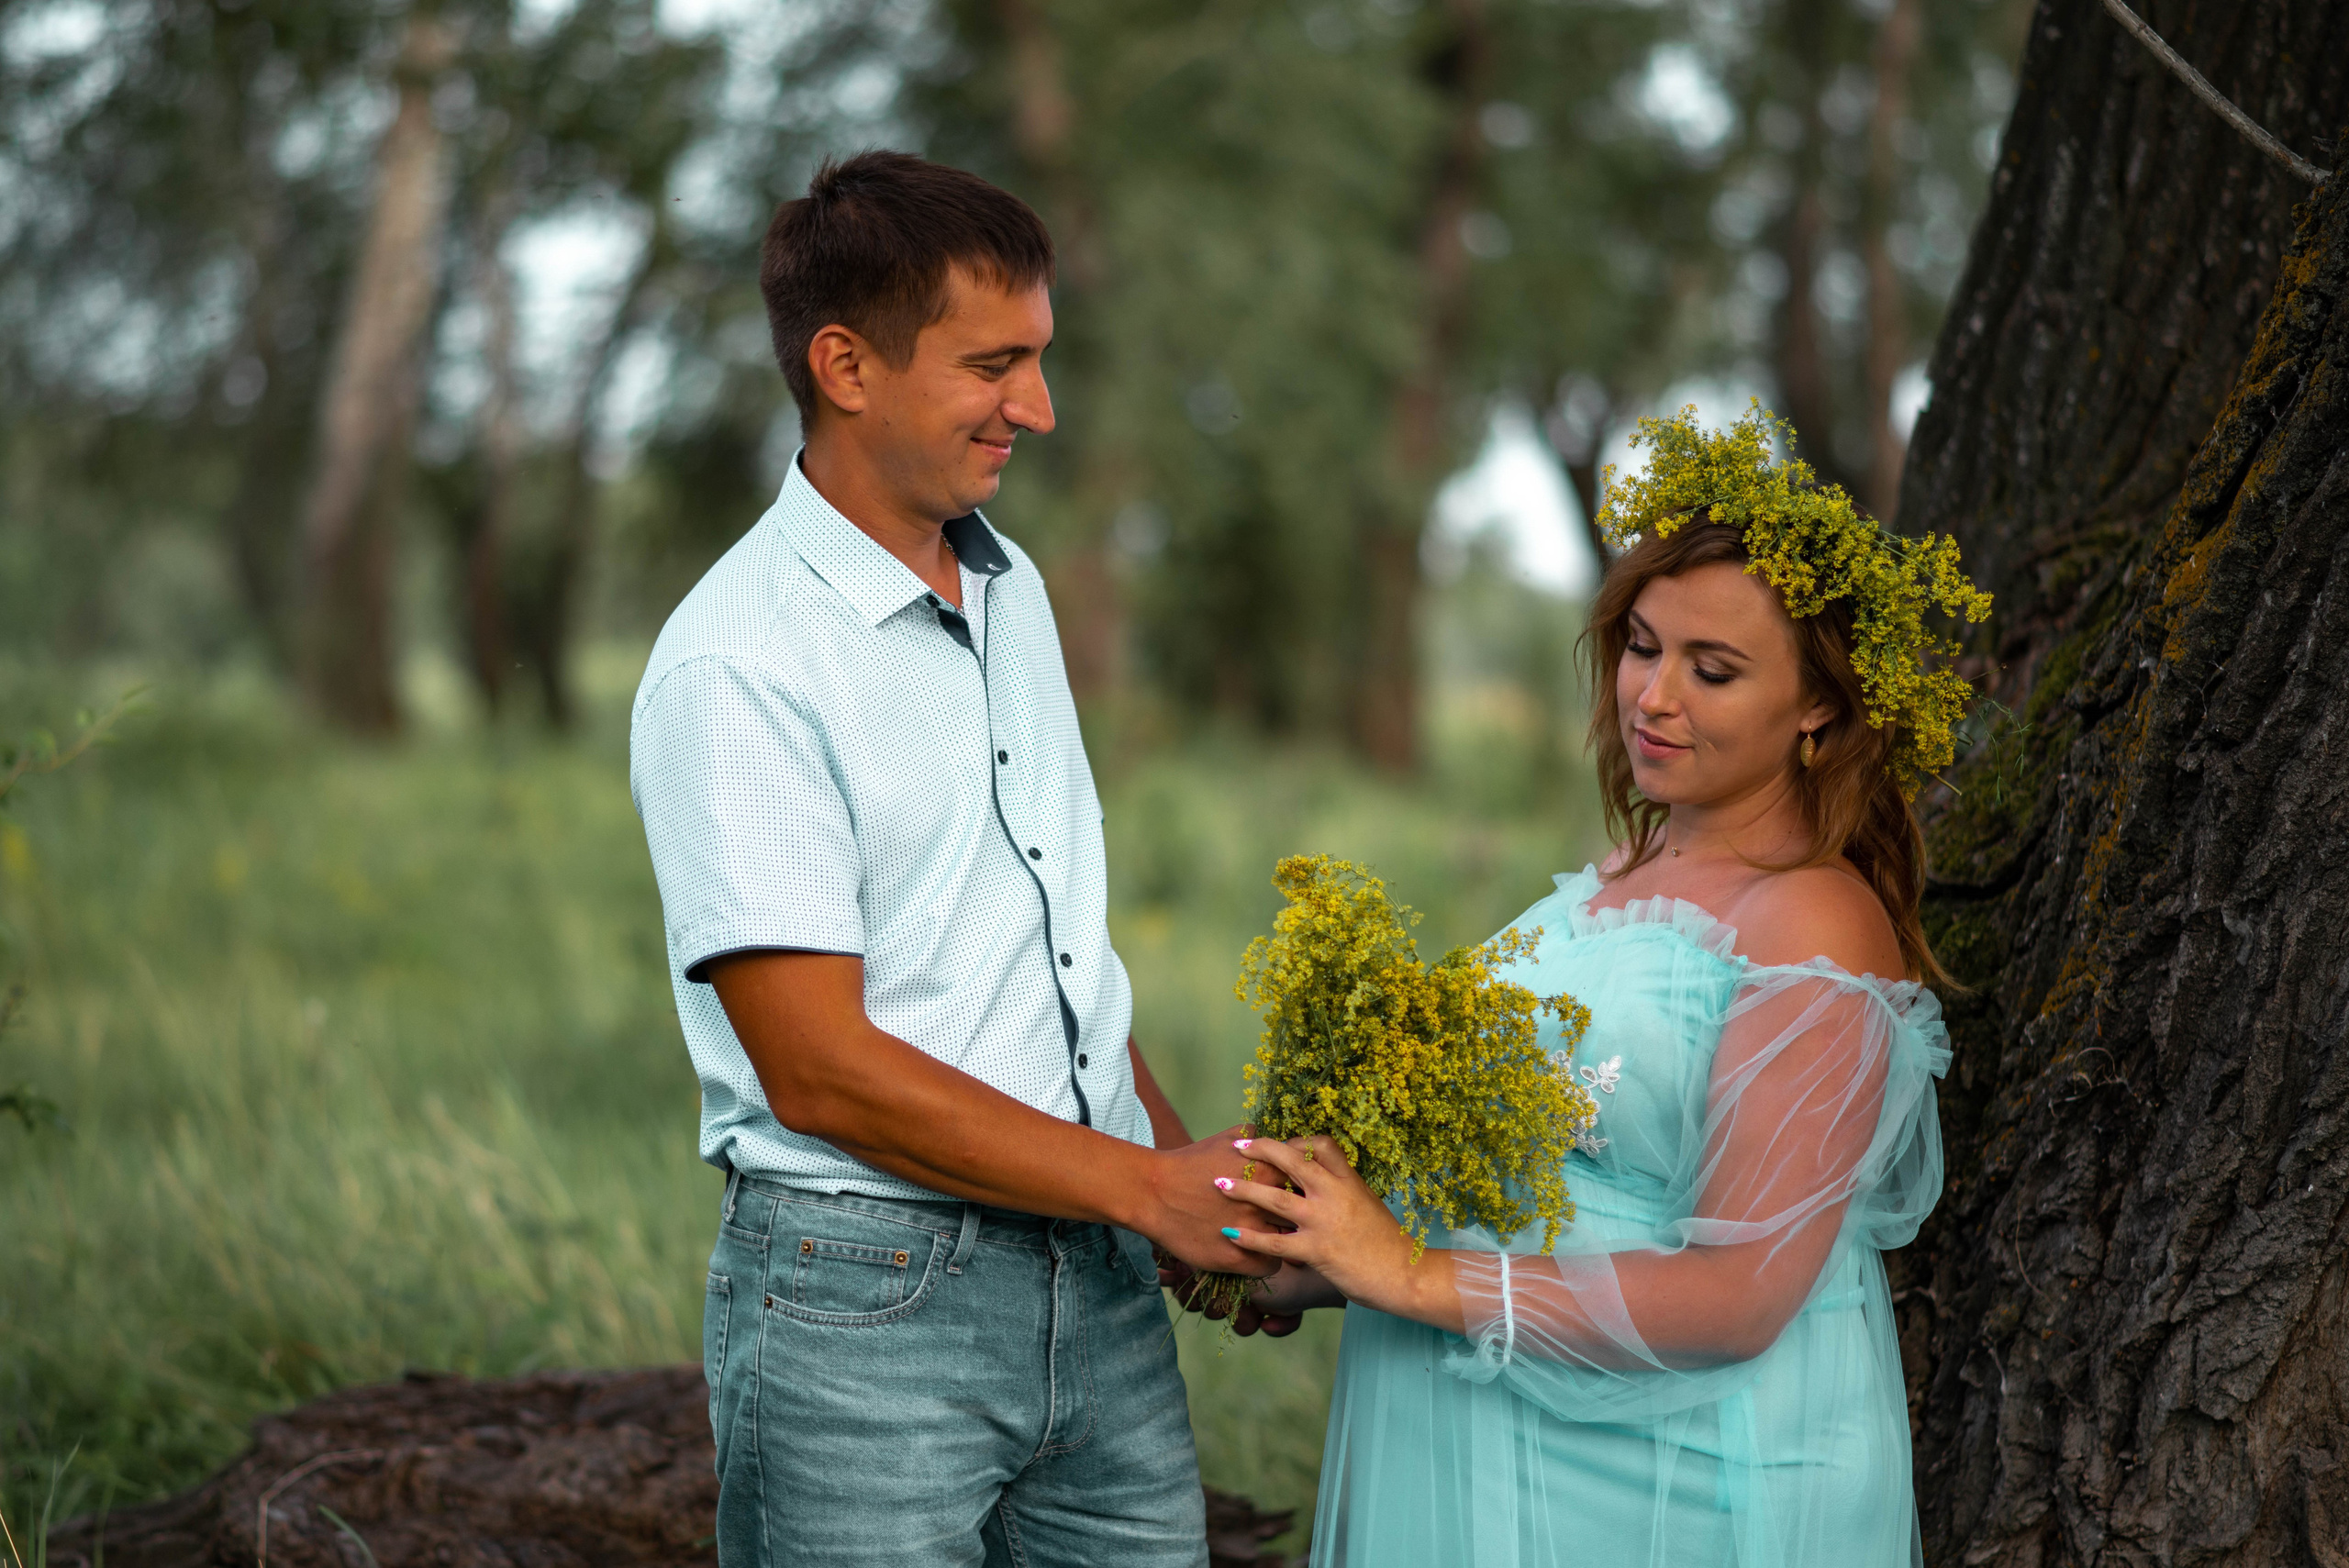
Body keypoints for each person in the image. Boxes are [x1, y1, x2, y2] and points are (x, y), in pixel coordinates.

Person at [629, 150, 1270, 1568]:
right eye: (996, 365)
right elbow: (819, 1067)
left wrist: (1176, 1186)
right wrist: (1142, 1188)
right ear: (846, 364)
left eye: (1039, 359)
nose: (1037, 408)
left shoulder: (1009, 585)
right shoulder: (739, 663)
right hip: (865, 1307)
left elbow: (1043, 954)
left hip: (1096, 1284)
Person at [1207, 409, 1979, 1566]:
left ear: (1819, 704)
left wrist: (1410, 1270)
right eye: (1641, 645)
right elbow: (1543, 1181)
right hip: (1489, 1440)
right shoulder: (1607, 880)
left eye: (1710, 669)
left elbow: (1737, 1295)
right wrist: (1329, 1258)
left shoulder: (1810, 918)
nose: (1651, 697)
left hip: (1669, 1480)